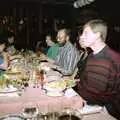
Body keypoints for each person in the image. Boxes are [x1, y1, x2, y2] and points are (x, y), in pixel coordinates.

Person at [73, 19, 120, 119]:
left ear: (98, 35)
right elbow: (86, 84)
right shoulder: (92, 56)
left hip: (107, 110)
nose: (81, 37)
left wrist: (73, 93)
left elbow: (94, 96)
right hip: (92, 102)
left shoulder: (106, 60)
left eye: (86, 33)